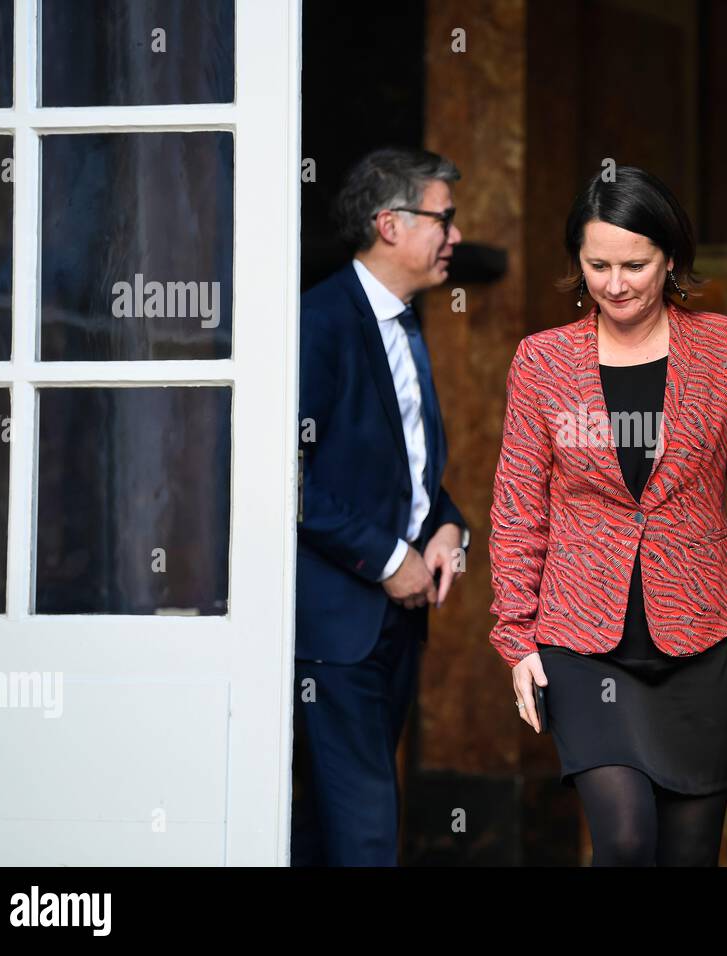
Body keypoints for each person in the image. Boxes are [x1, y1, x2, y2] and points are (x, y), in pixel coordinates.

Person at [488, 166, 727, 866]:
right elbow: (517, 505)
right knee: (626, 841)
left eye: (635, 264)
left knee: (689, 854)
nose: (615, 283)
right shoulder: (542, 361)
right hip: (581, 637)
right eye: (597, 265)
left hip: (703, 637)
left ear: (670, 259)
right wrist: (515, 632)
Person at [292, 146, 471, 866]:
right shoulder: (320, 321)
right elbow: (284, 477)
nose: (456, 236)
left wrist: (449, 526)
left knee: (329, 832)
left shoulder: (404, 324)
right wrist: (391, 558)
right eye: (444, 219)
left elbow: (408, 474)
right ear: (389, 224)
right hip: (334, 632)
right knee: (365, 834)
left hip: (395, 627)